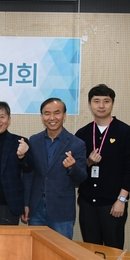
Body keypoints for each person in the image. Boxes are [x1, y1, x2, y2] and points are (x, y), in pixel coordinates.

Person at [75, 84, 130, 249]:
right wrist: (89, 162)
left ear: (112, 103)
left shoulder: (125, 132)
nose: (101, 106)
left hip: (113, 204)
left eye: (106, 101)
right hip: (87, 203)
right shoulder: (82, 133)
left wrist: (121, 200)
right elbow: (77, 169)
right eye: (96, 101)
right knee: (91, 251)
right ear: (89, 104)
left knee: (113, 250)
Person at [24, 98, 87, 239]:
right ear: (42, 116)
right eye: (47, 113)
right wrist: (26, 203)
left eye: (57, 113)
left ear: (64, 115)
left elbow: (82, 177)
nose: (52, 118)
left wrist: (72, 167)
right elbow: (29, 175)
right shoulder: (34, 140)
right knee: (37, 249)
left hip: (62, 209)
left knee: (61, 250)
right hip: (36, 208)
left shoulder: (77, 144)